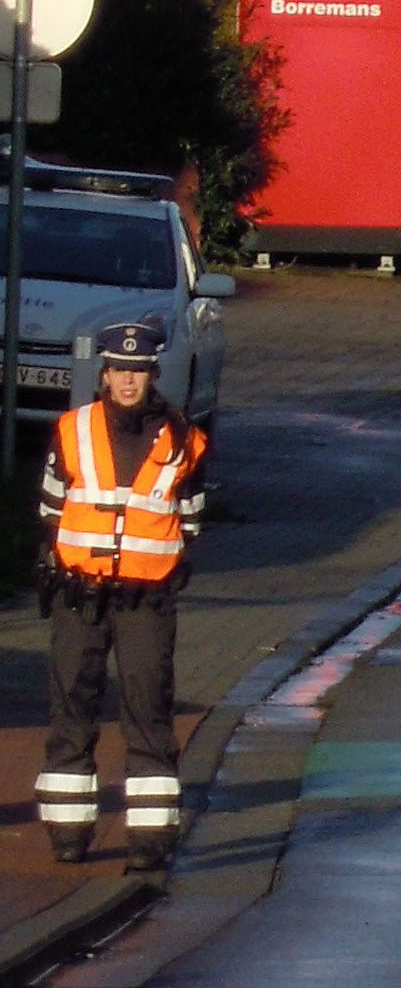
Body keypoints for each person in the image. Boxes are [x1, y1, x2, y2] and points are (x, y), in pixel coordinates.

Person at [31, 323, 208, 872]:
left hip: (146, 599)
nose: (128, 380)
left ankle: (150, 838)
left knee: (149, 707)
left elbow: (190, 521)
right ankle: (68, 829)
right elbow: (51, 511)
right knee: (72, 704)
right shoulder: (71, 429)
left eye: (138, 371)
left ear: (153, 374)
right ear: (104, 374)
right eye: (118, 370)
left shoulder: (187, 441)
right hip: (78, 594)